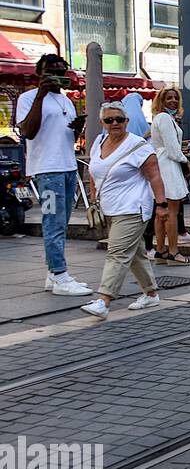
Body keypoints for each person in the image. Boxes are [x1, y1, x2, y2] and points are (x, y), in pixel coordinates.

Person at [79, 102, 167, 319]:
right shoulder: (99, 142)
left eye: (119, 119)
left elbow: (155, 175)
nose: (115, 123)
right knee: (135, 253)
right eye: (109, 120)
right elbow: (94, 172)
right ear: (102, 123)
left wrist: (162, 205)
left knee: (117, 253)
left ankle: (104, 300)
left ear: (127, 121)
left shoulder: (138, 146)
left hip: (133, 208)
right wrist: (93, 199)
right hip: (109, 208)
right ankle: (151, 293)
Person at [17, 55, 92, 296]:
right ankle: (60, 275)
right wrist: (40, 94)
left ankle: (53, 274)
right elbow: (28, 131)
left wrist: (77, 127)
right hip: (47, 171)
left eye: (61, 70)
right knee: (53, 223)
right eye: (51, 70)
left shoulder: (66, 101)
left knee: (62, 222)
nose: (57, 75)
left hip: (69, 167)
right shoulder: (27, 98)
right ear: (39, 72)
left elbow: (64, 135)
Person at [149, 88, 190, 266]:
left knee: (161, 214)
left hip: (161, 164)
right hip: (168, 165)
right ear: (161, 100)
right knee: (172, 213)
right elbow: (173, 148)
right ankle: (174, 252)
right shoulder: (165, 119)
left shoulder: (159, 118)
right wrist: (185, 161)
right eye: (168, 98)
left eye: (175, 98)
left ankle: (160, 251)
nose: (173, 101)